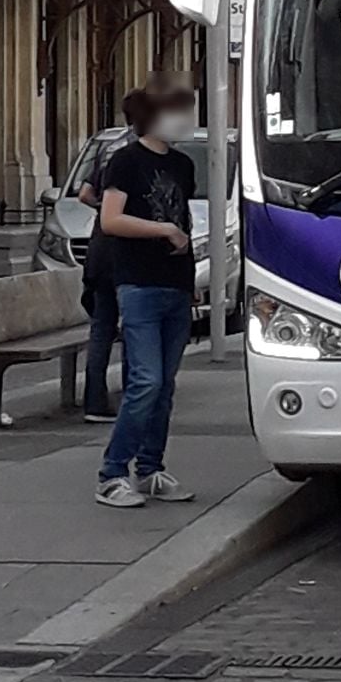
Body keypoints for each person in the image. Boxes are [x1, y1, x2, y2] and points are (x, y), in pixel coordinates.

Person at [94, 74, 200, 509]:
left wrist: (190, 283)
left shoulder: (182, 165)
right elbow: (110, 220)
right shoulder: (125, 161)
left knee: (165, 385)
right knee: (145, 381)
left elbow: (186, 223)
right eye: (181, 111)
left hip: (175, 284)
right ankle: (112, 473)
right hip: (137, 282)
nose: (187, 120)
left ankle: (151, 468)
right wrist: (163, 229)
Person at [76, 95, 138, 425]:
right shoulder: (140, 152)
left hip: (100, 249)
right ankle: (133, 396)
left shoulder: (107, 147)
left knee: (101, 328)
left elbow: (84, 193)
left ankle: (94, 401)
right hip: (127, 252)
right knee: (133, 326)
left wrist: (106, 208)